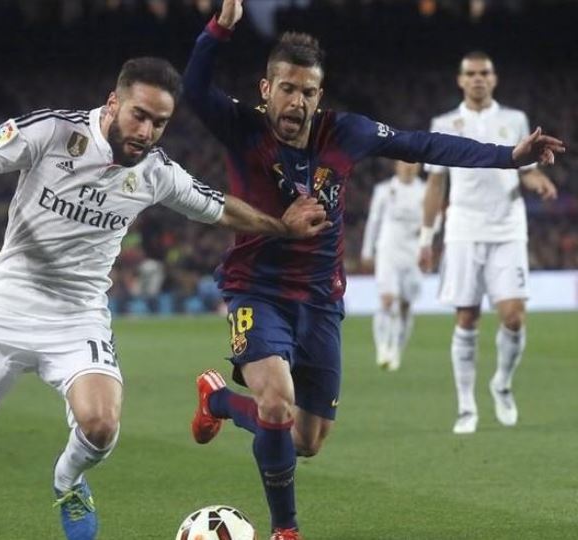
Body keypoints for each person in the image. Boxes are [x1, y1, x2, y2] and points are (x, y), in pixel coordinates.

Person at [0, 56, 331, 540]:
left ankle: (68, 480)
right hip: (5, 306)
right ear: (113, 104)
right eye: (139, 116)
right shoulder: (55, 132)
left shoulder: (156, 172)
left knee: (100, 426)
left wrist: (281, 228)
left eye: (159, 123)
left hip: (78, 316)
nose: (147, 132)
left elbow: (219, 208)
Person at [182, 1, 564, 538]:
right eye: (287, 88)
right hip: (257, 289)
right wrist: (218, 29)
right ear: (266, 89)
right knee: (276, 403)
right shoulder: (242, 127)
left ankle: (219, 399)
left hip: (321, 300)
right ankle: (286, 530)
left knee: (307, 440)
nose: (297, 101)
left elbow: (422, 143)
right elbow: (194, 89)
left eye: (308, 91)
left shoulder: (345, 133)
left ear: (320, 95)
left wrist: (509, 156)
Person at [418, 51, 559, 435]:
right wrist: (426, 238)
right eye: (471, 73)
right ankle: (466, 406)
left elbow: (525, 171)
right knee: (467, 317)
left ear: (494, 79)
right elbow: (435, 184)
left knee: (514, 317)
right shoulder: (443, 124)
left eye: (484, 72)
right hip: (463, 228)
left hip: (507, 227)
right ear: (460, 80)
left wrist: (538, 181)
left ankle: (502, 384)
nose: (478, 78)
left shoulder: (515, 120)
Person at [361, 160, 427, 371]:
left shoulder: (425, 191)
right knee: (387, 300)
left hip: (413, 254)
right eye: (404, 163)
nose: (408, 167)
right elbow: (374, 221)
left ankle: (397, 350)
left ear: (418, 167)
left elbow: (435, 219)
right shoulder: (384, 190)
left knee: (406, 305)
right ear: (396, 166)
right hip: (388, 250)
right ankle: (382, 348)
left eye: (413, 163)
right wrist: (367, 250)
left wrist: (427, 235)